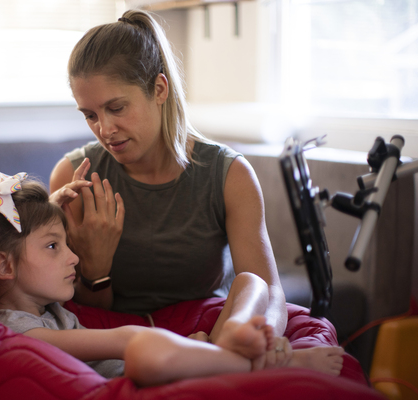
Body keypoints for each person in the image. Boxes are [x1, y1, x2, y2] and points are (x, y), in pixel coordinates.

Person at [49, 8, 305, 368]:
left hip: (206, 321)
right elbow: (83, 312)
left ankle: (227, 352)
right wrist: (97, 268)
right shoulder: (73, 178)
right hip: (116, 333)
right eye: (90, 115)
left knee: (254, 286)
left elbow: (268, 288)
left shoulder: (230, 175)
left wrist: (267, 335)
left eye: (116, 108)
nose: (104, 129)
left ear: (159, 89)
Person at [0, 172, 344, 387]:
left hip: (175, 359)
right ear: (4, 267)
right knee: (143, 351)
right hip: (150, 370)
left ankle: (232, 339)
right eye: (54, 247)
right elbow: (123, 342)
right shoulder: (18, 333)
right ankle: (263, 364)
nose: (74, 256)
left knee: (251, 283)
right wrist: (174, 347)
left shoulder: (46, 308)